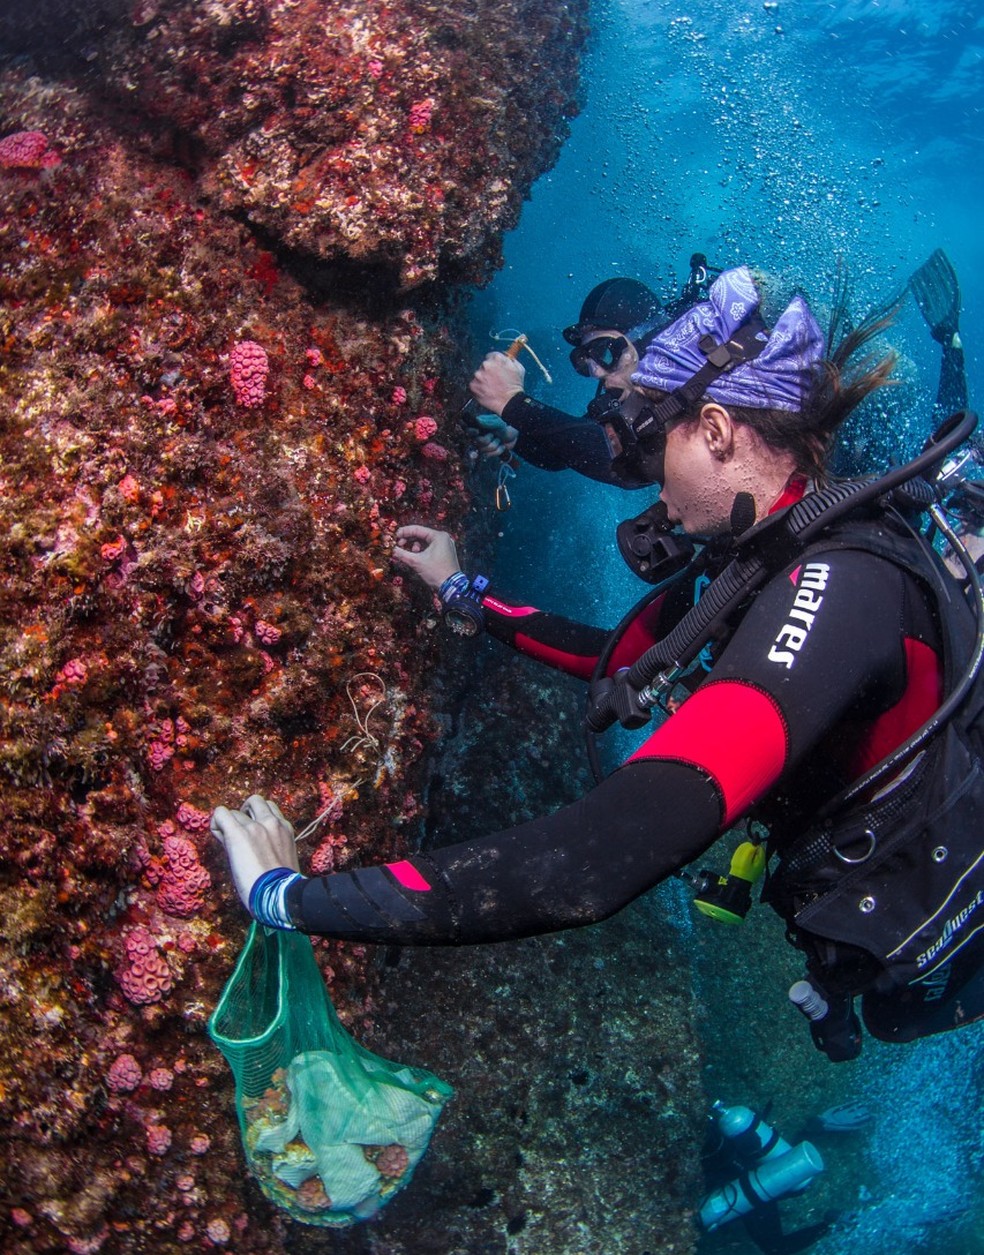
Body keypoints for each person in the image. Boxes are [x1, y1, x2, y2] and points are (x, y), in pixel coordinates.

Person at [212, 265, 984, 1057]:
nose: (646, 478)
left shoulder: (837, 583)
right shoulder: (761, 557)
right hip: (874, 907)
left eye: (656, 438)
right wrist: (463, 591)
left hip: (930, 912)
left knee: (901, 1009)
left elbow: (606, 851)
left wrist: (290, 897)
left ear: (715, 431)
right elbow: (616, 658)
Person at [468, 255, 718, 487]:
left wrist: (513, 402)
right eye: (584, 360)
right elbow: (567, 453)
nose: (596, 371)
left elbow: (628, 467)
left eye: (605, 353)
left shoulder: (687, 385)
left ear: (641, 343)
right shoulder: (628, 398)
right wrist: (516, 436)